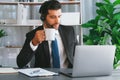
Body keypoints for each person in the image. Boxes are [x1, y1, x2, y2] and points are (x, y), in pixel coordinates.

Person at [17, 0, 77, 68]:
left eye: (59, 16)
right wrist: (34, 43)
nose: (57, 21)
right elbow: (20, 63)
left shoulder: (69, 31)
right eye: (53, 17)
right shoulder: (33, 34)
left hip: (67, 75)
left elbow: (78, 55)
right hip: (45, 76)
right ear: (43, 17)